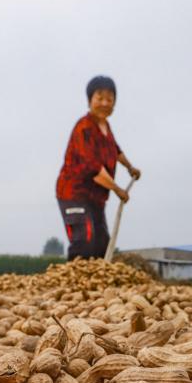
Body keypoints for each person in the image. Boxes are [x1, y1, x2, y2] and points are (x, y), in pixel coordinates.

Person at [55, 75, 141, 260]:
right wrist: (117, 189)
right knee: (84, 241)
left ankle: (96, 285)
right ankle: (75, 281)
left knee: (101, 243)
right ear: (89, 100)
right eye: (99, 98)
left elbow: (115, 150)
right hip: (74, 194)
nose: (104, 103)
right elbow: (93, 168)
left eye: (110, 99)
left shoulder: (105, 127)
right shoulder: (84, 128)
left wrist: (130, 167)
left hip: (96, 197)